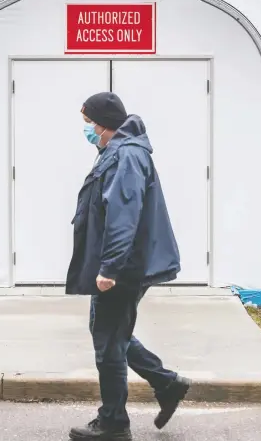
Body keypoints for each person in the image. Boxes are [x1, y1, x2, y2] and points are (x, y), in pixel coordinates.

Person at [66, 92, 191, 441]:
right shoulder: (116, 152)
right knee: (108, 331)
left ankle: (113, 423)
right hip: (120, 264)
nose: (87, 129)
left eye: (89, 123)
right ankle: (166, 383)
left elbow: (123, 216)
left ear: (105, 125)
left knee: (107, 341)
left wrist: (109, 269)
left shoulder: (126, 156)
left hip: (123, 267)